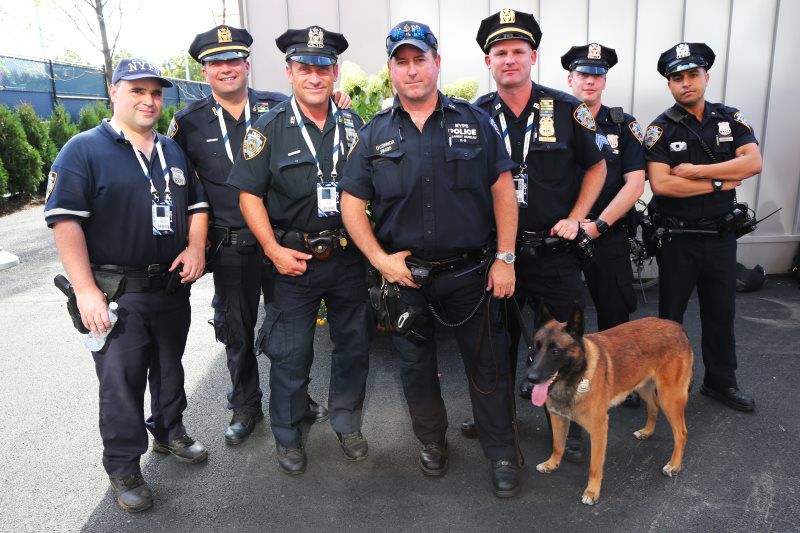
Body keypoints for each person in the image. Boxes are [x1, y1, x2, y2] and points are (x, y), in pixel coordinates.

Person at [340, 21, 522, 498]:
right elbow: (350, 203)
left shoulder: (474, 121)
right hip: (406, 277)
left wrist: (505, 258)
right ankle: (432, 442)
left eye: (420, 59)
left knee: (488, 367)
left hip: (471, 274)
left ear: (436, 63)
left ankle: (502, 452)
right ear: (390, 70)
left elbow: (503, 190)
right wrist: (380, 260)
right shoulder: (374, 133)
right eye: (401, 62)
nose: (412, 70)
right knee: (415, 368)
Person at [44, 58, 210, 512]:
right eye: (137, 90)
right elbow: (65, 223)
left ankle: (169, 431)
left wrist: (196, 247)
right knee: (122, 381)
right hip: (117, 293)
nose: (148, 100)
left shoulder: (172, 150)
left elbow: (197, 206)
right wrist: (85, 290)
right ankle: (123, 466)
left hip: (170, 287)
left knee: (169, 366)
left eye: (155, 92)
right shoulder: (83, 150)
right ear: (113, 91)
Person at [169, 25, 334, 445]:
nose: (226, 69)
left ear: (247, 64)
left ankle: (297, 397)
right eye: (216, 63)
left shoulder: (277, 107)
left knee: (291, 329)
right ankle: (245, 405)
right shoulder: (187, 123)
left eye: (233, 60)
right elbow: (181, 189)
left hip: (281, 242)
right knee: (236, 330)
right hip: (231, 248)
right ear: (204, 71)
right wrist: (193, 244)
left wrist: (340, 99)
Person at [227, 25, 371, 475]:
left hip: (348, 258)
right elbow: (248, 196)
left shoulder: (354, 125)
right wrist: (272, 249)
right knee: (291, 353)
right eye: (304, 68)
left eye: (323, 68)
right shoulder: (266, 129)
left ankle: (347, 423)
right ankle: (288, 436)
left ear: (335, 73)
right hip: (294, 262)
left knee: (352, 347)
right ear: (289, 72)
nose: (314, 77)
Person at [464, 9, 607, 463]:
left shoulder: (567, 110)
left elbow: (598, 167)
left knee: (567, 346)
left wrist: (578, 218)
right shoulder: (473, 116)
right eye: (500, 53)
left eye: (518, 51)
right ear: (488, 61)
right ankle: (498, 417)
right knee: (496, 344)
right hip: (498, 256)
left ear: (533, 56)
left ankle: (573, 422)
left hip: (554, 253)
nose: (509, 59)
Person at [645, 42, 762, 412]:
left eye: (693, 75)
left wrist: (698, 172)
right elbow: (662, 184)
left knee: (720, 313)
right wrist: (721, 182)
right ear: (669, 84)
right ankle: (664, 386)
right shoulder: (660, 129)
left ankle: (720, 382)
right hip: (678, 239)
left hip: (721, 238)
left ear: (706, 77)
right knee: (670, 321)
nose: (686, 83)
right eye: (677, 78)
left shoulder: (730, 119)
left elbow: (752, 163)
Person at [562, 43, 646, 407]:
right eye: (583, 74)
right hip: (563, 235)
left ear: (605, 81)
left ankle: (620, 380)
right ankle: (563, 378)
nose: (590, 81)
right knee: (562, 315)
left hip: (606, 233)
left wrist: (597, 225)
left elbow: (635, 183)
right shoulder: (555, 120)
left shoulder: (623, 125)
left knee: (615, 312)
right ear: (570, 79)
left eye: (597, 75)